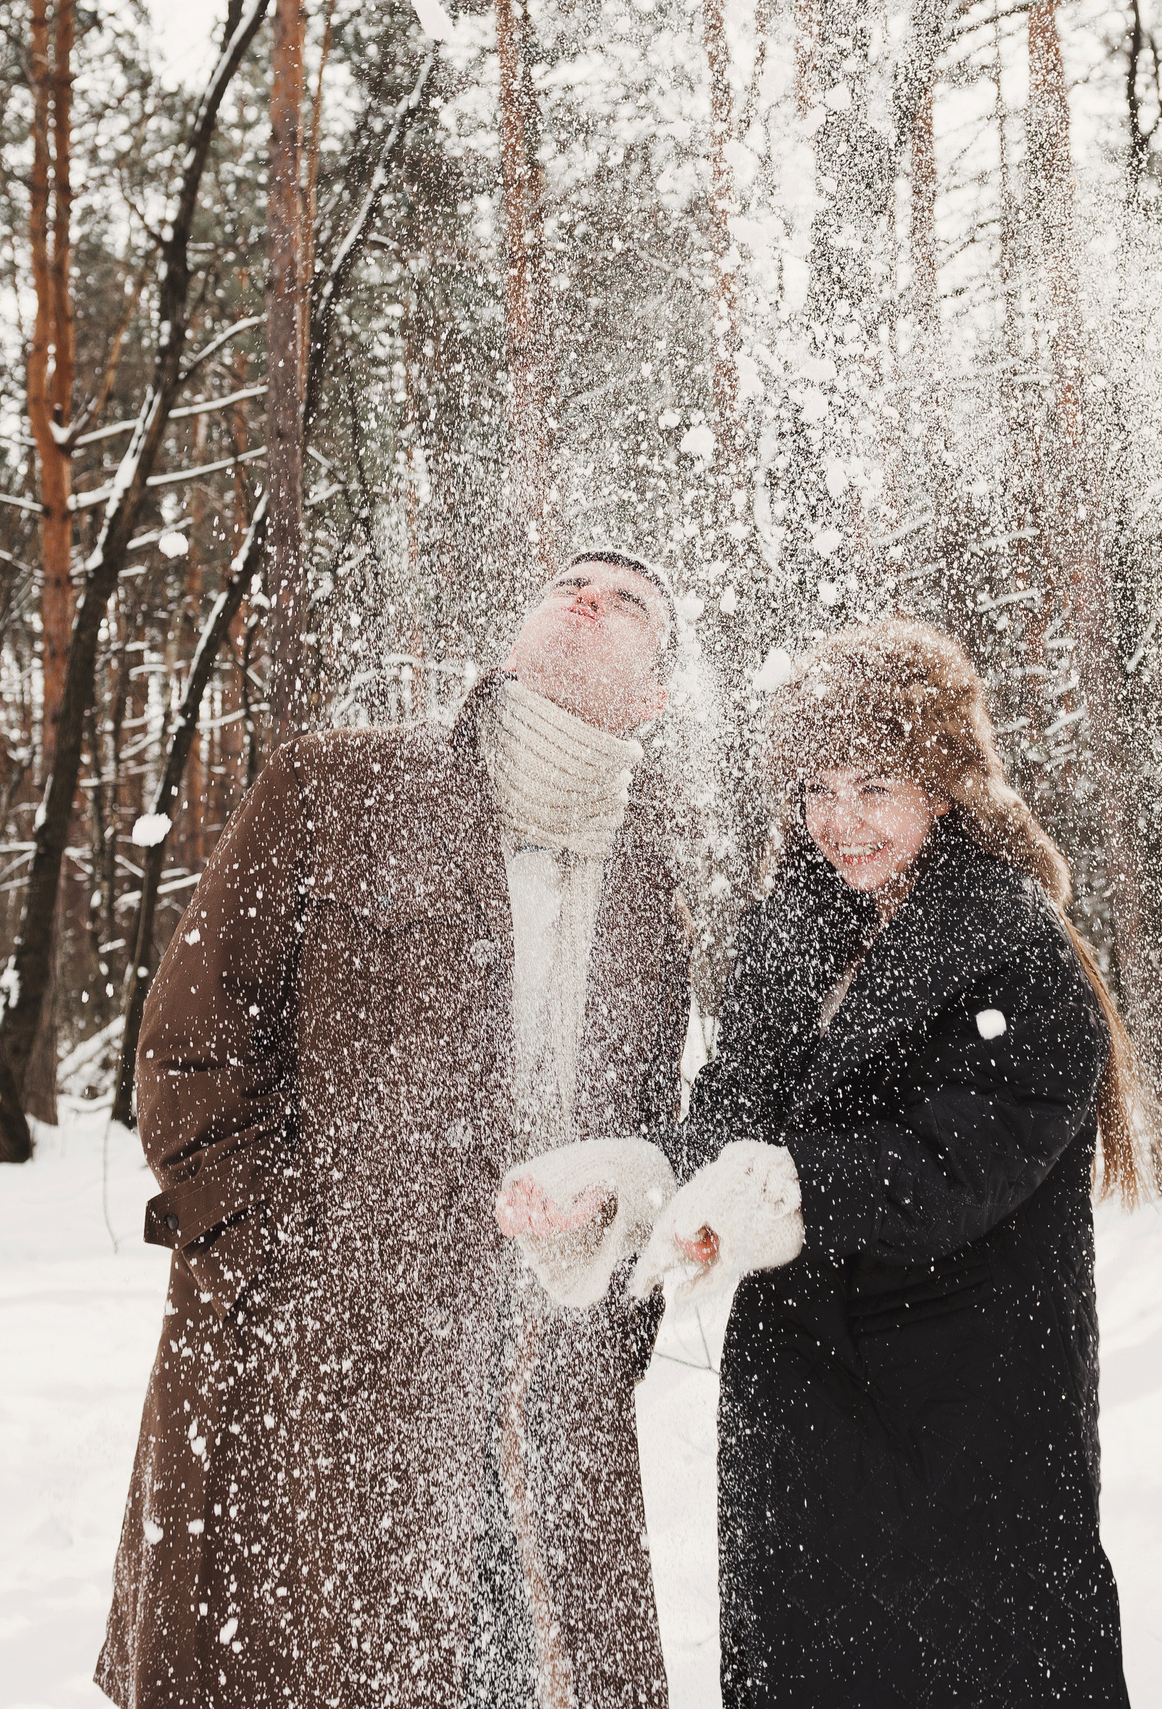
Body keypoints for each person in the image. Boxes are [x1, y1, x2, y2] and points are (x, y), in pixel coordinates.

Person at [98, 551, 693, 1709]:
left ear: (653, 698)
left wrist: (610, 1306)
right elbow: (189, 1045)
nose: (587, 597)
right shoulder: (343, 787)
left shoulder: (644, 893)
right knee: (310, 1671)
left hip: (537, 1383)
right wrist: (278, 1264)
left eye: (629, 604)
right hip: (323, 1372)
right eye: (568, 581)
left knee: (531, 1679)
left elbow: (642, 1134)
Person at [510, 618, 1136, 1706]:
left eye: (875, 786)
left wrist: (787, 1195)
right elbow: (733, 1122)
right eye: (816, 789)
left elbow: (958, 1165)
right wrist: (634, 1183)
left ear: (942, 788)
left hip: (962, 1410)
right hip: (801, 1407)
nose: (840, 822)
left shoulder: (1013, 949)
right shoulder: (790, 930)